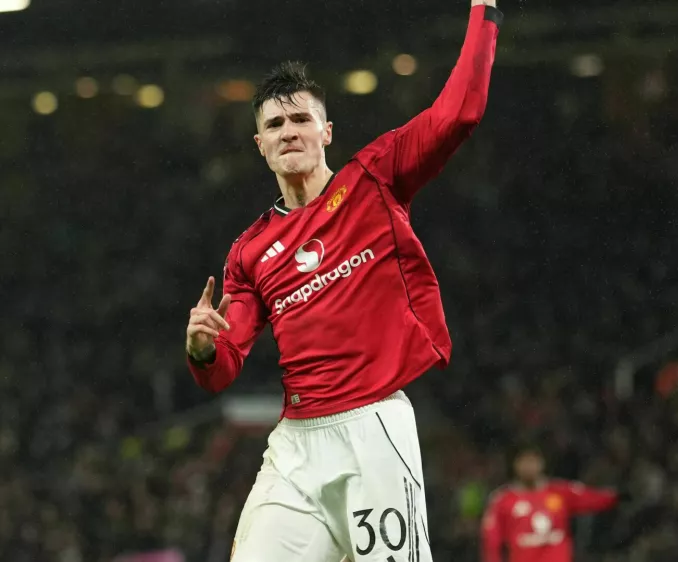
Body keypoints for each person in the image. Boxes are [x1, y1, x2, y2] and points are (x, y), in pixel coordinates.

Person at [182, 1, 503, 560]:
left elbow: (459, 113)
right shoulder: (249, 252)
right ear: (259, 144)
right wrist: (203, 348)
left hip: (373, 429)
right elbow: (223, 365)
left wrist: (485, 10)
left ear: (326, 131)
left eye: (301, 120)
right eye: (274, 125)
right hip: (297, 448)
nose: (289, 132)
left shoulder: (373, 180)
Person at [480, 445, 618, 562]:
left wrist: (620, 496)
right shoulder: (502, 500)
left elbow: (595, 498)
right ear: (515, 464)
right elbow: (491, 542)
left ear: (542, 463)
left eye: (533, 460)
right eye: (524, 461)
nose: (529, 466)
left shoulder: (561, 492)